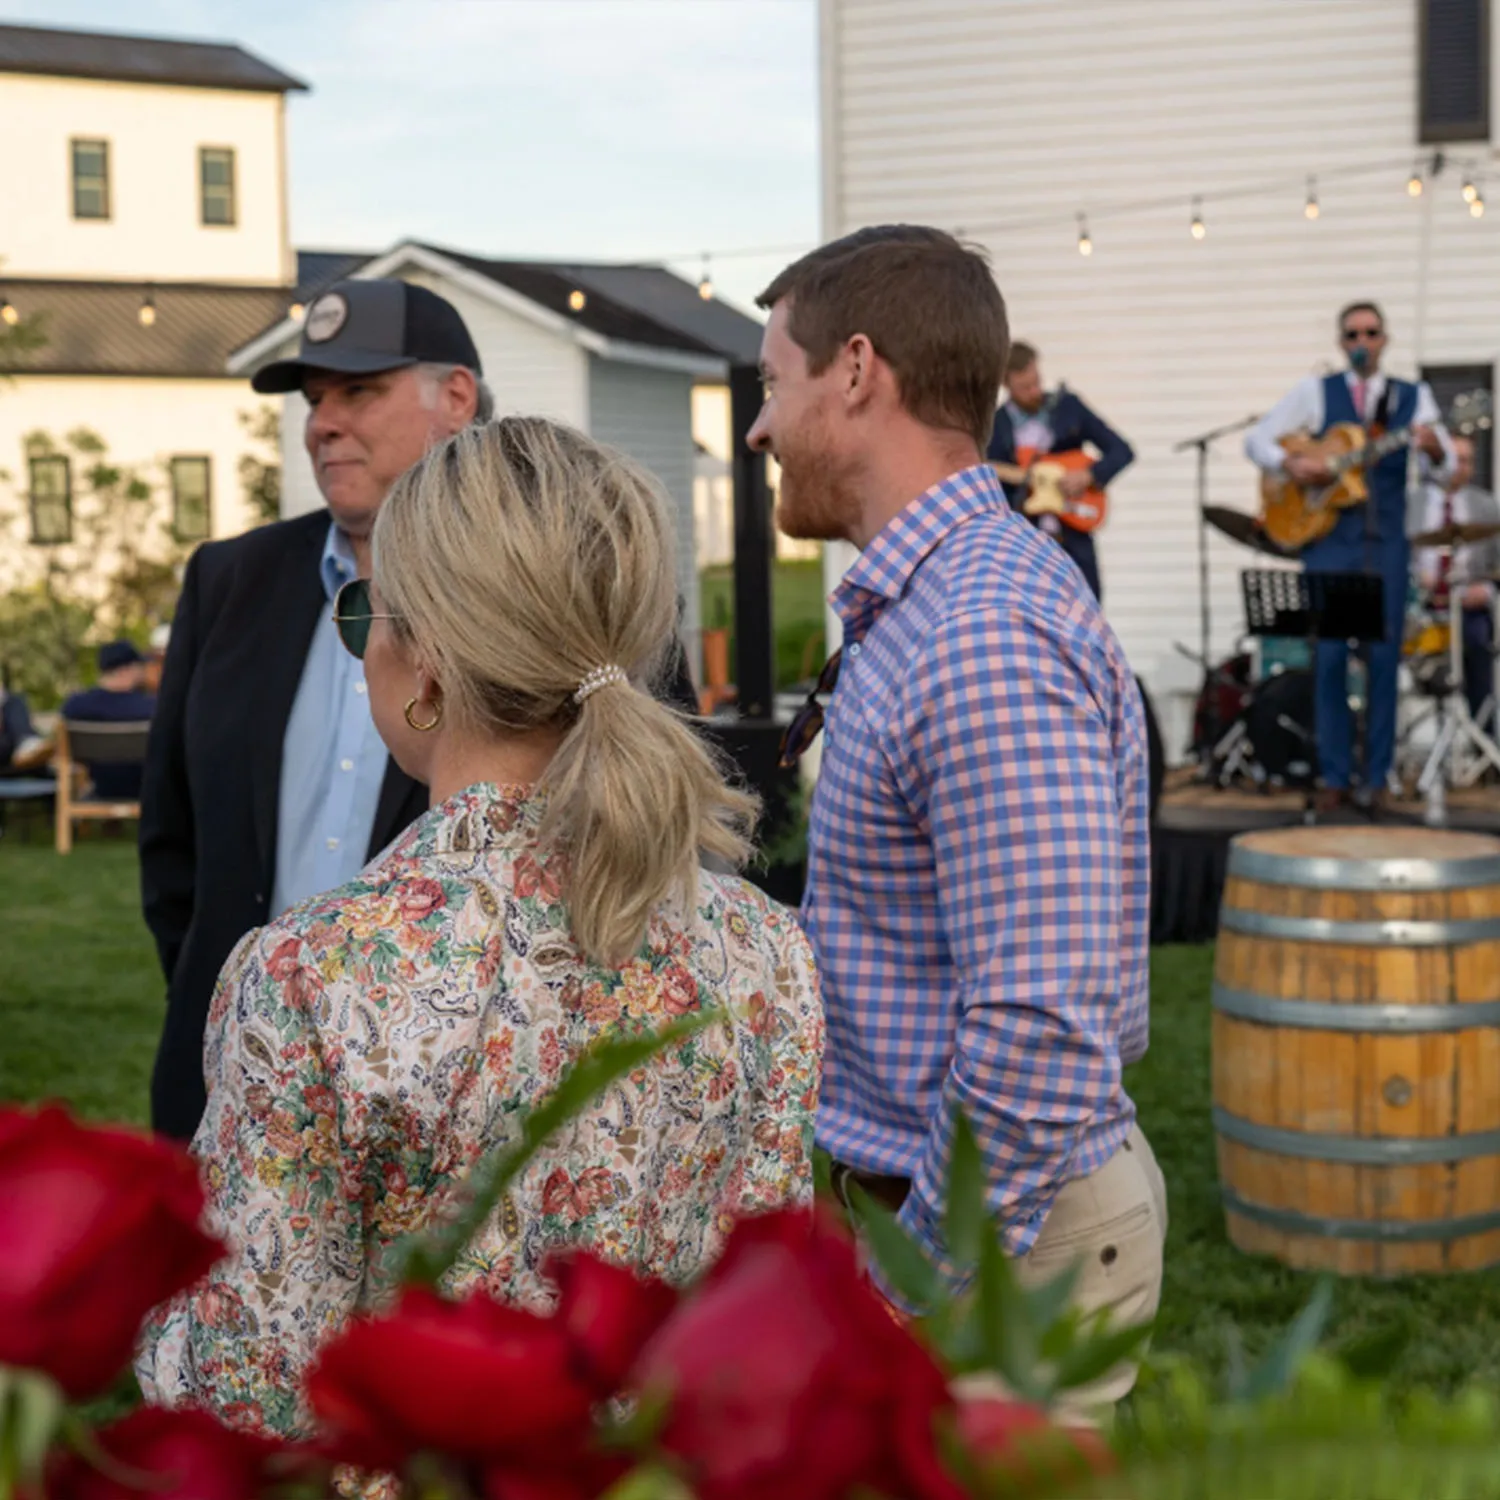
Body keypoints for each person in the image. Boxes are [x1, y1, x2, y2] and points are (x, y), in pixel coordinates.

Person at [136, 415, 824, 1436]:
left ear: (424, 667)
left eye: (366, 611)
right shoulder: (764, 949)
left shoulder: (313, 976)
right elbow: (766, 1312)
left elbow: (246, 1385)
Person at [750, 226, 1161, 1418]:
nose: (759, 427)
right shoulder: (928, 600)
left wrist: (909, 1272)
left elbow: (1038, 1028)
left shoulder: (981, 632)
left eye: (775, 383)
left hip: (999, 1246)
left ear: (858, 372)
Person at [141, 277, 703, 1142]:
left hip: (479, 1109)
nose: (322, 422)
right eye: (314, 398)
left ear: (458, 398)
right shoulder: (231, 578)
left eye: (357, 391)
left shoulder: (583, 587)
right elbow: (175, 850)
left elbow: (651, 833)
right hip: (227, 1086)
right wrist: (234, 1001)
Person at [1245, 301, 1454, 813]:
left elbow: (1446, 473)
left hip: (1384, 544)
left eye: (1371, 332)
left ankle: (1375, 777)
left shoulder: (1414, 398)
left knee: (1383, 663)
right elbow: (1258, 441)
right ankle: (1335, 775)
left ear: (1385, 339)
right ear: (1342, 342)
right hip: (1331, 542)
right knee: (1332, 660)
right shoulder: (1317, 392)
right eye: (1353, 333)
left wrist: (1432, 451)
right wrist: (1293, 462)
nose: (1362, 340)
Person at [985, 341, 1134, 601]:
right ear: (1006, 385)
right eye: (1024, 387)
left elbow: (1121, 451)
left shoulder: (1068, 408)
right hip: (1025, 542)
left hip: (1074, 534)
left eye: (1036, 382)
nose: (1034, 391)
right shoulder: (997, 427)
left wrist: (1088, 475)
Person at [1415, 433, 1500, 727]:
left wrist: (1486, 589)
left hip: (1467, 610)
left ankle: (1484, 739)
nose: (1459, 467)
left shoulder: (1487, 508)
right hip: (1420, 610)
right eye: (1455, 459)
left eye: (1466, 461)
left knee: (1478, 641)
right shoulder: (1412, 506)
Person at [60, 640, 156, 798]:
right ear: (127, 669)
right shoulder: (151, 707)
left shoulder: (75, 706)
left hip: (101, 788)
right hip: (147, 791)